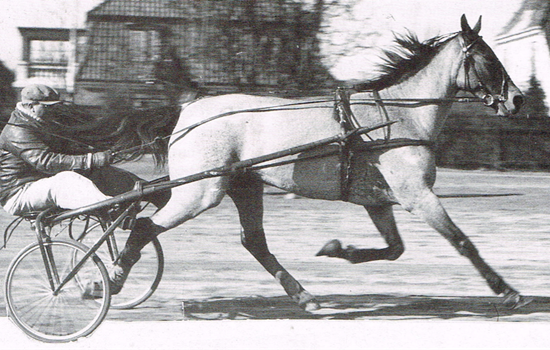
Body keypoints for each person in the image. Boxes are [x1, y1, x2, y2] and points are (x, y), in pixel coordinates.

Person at [0, 83, 168, 295]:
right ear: (31, 105)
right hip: (18, 193)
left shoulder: (41, 122)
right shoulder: (17, 130)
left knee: (100, 172)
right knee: (66, 179)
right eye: (48, 106)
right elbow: (47, 162)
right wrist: (91, 159)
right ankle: (111, 208)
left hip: (40, 183)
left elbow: (67, 150)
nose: (53, 110)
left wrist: (99, 155)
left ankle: (136, 193)